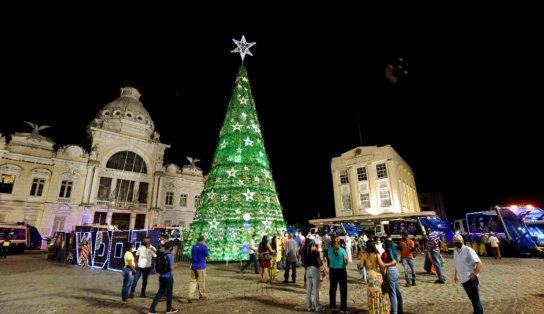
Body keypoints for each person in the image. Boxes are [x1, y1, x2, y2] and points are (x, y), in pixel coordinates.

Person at [453, 234, 484, 314]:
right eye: (456, 241)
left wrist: (474, 274)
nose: (458, 242)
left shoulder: (468, 250)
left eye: (459, 241)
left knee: (475, 299)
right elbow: (457, 263)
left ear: (463, 241)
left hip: (471, 278)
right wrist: (455, 274)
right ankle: (477, 311)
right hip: (463, 279)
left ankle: (478, 312)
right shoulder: (455, 250)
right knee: (472, 298)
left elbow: (479, 263)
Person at [361, 239, 394, 314]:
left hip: (370, 275)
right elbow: (382, 265)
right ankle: (381, 311)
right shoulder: (376, 254)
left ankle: (373, 311)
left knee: (372, 294)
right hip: (377, 274)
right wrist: (391, 263)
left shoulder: (364, 254)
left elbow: (361, 265)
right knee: (380, 293)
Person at [149, 242, 178, 314]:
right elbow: (171, 267)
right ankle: (169, 309)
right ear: (170, 248)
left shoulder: (161, 253)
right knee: (169, 293)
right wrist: (175, 266)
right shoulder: (169, 255)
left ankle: (152, 309)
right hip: (168, 277)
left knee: (159, 293)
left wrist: (152, 248)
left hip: (161, 276)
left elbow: (156, 252)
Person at [328, 236, 349, 314]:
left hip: (332, 270)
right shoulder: (343, 250)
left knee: (332, 289)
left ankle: (332, 306)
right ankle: (343, 308)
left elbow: (330, 259)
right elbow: (346, 261)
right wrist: (344, 262)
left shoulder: (329, 250)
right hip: (341, 270)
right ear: (339, 242)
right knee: (343, 290)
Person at [382, 239, 403, 314]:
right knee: (397, 292)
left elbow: (385, 264)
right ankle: (400, 309)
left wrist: (385, 265)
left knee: (392, 293)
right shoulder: (394, 251)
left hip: (390, 271)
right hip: (395, 270)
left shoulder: (386, 253)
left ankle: (394, 311)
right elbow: (395, 261)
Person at [188, 235, 209, 303]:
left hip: (193, 266)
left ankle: (190, 296)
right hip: (201, 266)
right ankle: (202, 295)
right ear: (203, 240)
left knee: (192, 281)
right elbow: (206, 255)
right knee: (201, 281)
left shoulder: (193, 247)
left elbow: (192, 255)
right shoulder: (204, 247)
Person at [305, 237, 323, 312]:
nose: (315, 246)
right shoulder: (315, 252)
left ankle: (309, 307)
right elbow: (319, 263)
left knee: (309, 290)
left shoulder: (306, 252)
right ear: (312, 245)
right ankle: (317, 306)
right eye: (314, 245)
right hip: (314, 269)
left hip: (307, 270)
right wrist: (321, 262)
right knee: (315, 289)